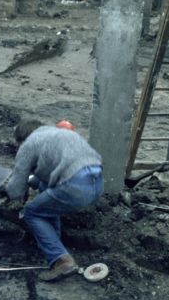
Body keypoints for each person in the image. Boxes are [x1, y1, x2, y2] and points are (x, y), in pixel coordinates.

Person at [6, 119, 104, 282]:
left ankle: (62, 260)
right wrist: (33, 182)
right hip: (97, 182)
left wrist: (10, 192)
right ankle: (52, 241)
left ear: (22, 139)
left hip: (74, 186)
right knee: (48, 197)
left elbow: (15, 190)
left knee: (32, 213)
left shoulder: (28, 145)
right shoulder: (60, 134)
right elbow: (50, 171)